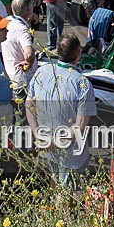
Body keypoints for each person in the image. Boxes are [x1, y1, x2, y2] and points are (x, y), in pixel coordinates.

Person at [26, 32, 96, 185]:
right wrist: (52, 141)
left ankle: (51, 207)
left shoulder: (41, 72)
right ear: (78, 53)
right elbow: (79, 127)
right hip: (72, 154)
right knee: (68, 194)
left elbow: (29, 104)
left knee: (54, 180)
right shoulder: (82, 84)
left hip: (47, 146)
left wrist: (38, 134)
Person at [1, 0, 37, 123]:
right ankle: (23, 141)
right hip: (23, 80)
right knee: (25, 117)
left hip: (10, 76)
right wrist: (29, 62)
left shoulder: (7, 21)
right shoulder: (22, 30)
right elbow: (29, 52)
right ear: (28, 11)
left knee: (16, 114)